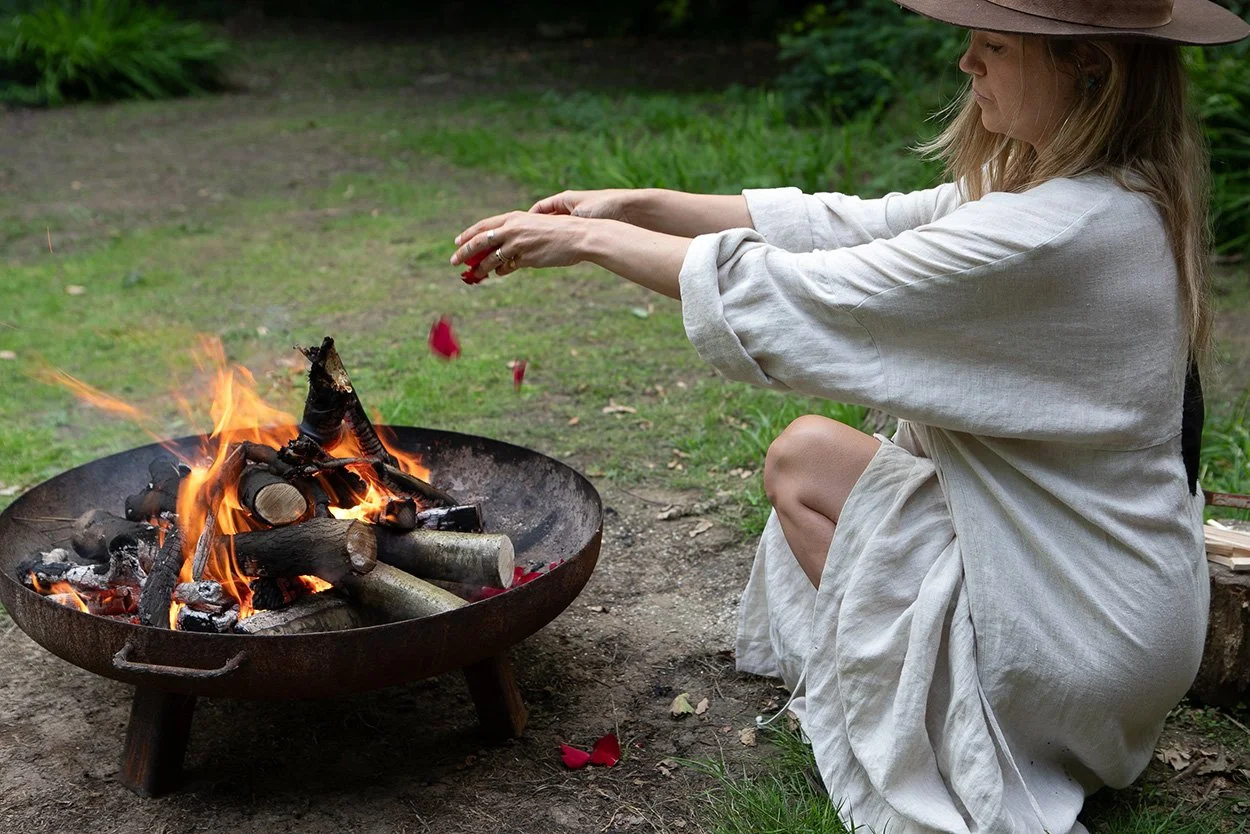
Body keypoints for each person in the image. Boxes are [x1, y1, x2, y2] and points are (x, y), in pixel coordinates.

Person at [450, 1, 1249, 831]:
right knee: (821, 462)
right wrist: (634, 204)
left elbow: (809, 293)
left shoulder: (1058, 232)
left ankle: (941, 712)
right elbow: (850, 226)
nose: (966, 64)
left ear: (1093, 68)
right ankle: (966, 702)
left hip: (1078, 638)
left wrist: (588, 244)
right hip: (1122, 633)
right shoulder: (1104, 197)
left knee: (805, 461)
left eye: (996, 46)